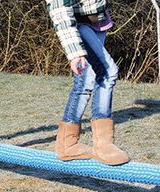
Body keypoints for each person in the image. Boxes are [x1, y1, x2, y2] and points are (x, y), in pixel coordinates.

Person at [46, 0, 130, 165]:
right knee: (107, 72)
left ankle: (67, 144)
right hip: (77, 25)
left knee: (86, 81)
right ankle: (103, 144)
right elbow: (59, 10)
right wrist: (75, 52)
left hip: (97, 22)